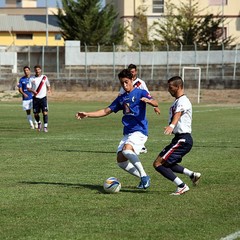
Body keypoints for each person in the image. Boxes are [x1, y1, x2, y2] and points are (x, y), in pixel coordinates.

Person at [76, 69, 159, 189]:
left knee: (127, 150)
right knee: (121, 162)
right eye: (122, 83)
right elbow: (106, 111)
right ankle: (143, 177)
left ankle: (144, 177)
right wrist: (88, 114)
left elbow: (155, 102)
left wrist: (150, 102)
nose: (125, 85)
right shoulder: (122, 98)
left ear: (132, 80)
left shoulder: (141, 92)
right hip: (128, 132)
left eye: (126, 82)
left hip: (140, 130)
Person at [153, 76, 201, 195]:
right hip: (180, 139)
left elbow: (178, 113)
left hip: (183, 139)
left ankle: (182, 186)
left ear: (178, 87)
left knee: (158, 164)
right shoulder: (177, 100)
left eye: (170, 87)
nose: (168, 90)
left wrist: (172, 126)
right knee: (168, 163)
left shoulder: (183, 100)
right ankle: (192, 175)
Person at [119, 64, 161, 154]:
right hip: (129, 107)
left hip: (139, 107)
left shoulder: (140, 83)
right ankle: (134, 146)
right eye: (130, 72)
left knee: (139, 125)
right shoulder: (125, 83)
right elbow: (120, 95)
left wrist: (155, 106)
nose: (132, 73)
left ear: (136, 72)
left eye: (133, 72)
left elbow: (148, 96)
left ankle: (141, 146)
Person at [27, 65, 51, 132]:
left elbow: (48, 85)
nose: (37, 71)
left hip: (43, 98)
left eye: (38, 69)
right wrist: (32, 91)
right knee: (36, 114)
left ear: (40, 70)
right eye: (36, 69)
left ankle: (45, 127)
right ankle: (39, 122)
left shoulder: (44, 77)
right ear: (34, 71)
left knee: (45, 112)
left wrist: (49, 90)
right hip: (35, 98)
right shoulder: (32, 79)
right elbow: (28, 88)